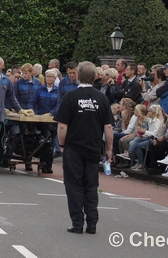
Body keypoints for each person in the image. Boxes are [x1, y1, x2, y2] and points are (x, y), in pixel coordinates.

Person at [55, 61, 114, 235]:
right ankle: (92, 222)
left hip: (74, 147)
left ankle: (77, 222)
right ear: (95, 77)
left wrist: (62, 145)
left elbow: (62, 126)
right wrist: (109, 149)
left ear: (78, 76)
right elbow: (108, 127)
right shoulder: (102, 98)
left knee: (74, 185)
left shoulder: (71, 97)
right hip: (93, 148)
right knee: (91, 185)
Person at [28, 67, 61, 173]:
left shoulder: (58, 91)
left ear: (55, 78)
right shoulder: (39, 89)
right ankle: (42, 162)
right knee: (41, 142)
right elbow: (32, 101)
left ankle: (48, 165)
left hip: (52, 121)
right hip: (41, 121)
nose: (49, 78)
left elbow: (59, 105)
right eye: (47, 76)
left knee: (50, 143)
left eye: (51, 77)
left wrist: (51, 113)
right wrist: (31, 110)